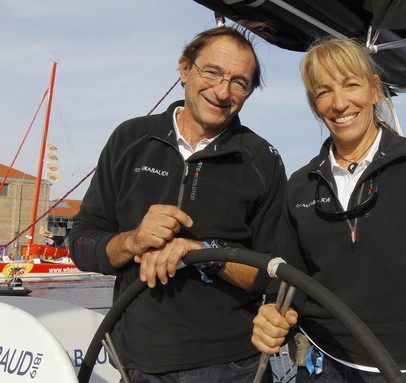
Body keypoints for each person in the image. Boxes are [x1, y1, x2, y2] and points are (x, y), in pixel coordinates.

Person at [251, 37, 406, 383]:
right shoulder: (300, 184)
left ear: (374, 89)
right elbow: (289, 278)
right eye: (323, 92)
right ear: (313, 103)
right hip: (323, 364)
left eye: (351, 85)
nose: (339, 103)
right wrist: (274, 315)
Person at [70, 23, 286, 382]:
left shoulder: (262, 160)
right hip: (137, 363)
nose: (221, 91)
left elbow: (273, 271)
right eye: (212, 72)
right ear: (185, 69)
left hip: (232, 365)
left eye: (239, 82)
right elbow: (80, 243)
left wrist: (203, 251)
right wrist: (133, 240)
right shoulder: (130, 139)